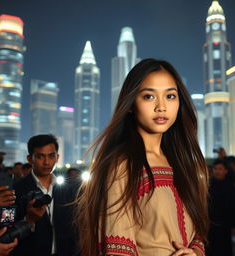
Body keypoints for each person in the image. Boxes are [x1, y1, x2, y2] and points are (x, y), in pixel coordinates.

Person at [75, 58, 208, 256]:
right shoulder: (122, 166)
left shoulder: (184, 163)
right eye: (149, 97)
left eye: (170, 96)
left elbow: (196, 235)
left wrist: (195, 253)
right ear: (130, 104)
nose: (161, 106)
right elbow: (118, 251)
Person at [12, 134, 79, 256]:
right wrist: (29, 221)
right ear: (29, 158)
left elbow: (74, 228)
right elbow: (8, 231)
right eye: (40, 156)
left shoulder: (67, 189)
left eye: (51, 156)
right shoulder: (15, 190)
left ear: (57, 157)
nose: (47, 162)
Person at [206, 159, 235, 256]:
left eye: (220, 169)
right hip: (211, 224)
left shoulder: (230, 187)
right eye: (215, 169)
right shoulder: (208, 186)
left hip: (226, 224)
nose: (217, 171)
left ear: (225, 171)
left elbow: (234, 207)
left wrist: (234, 225)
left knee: (225, 249)